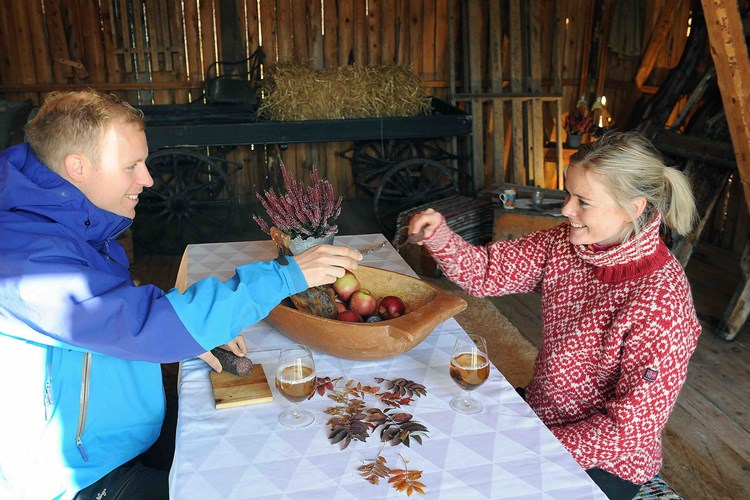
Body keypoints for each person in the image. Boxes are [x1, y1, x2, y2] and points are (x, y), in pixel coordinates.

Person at [0, 90, 362, 499]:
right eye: (132, 166)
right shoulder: (23, 255)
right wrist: (286, 276)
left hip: (119, 440)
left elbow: (111, 317)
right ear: (77, 166)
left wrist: (189, 333)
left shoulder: (64, 219)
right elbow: (136, 324)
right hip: (74, 478)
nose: (148, 179)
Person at [408, 131, 701, 500]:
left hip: (605, 462)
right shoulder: (564, 243)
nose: (566, 210)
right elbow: (485, 273)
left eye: (583, 202)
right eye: (568, 194)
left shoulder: (663, 304)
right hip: (542, 414)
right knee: (435, 432)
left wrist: (527, 443)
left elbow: (627, 433)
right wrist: (439, 236)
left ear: (634, 208)